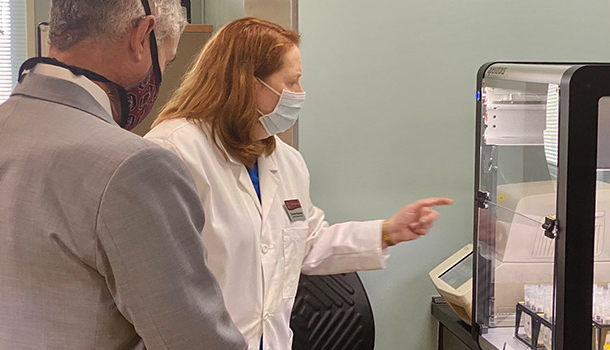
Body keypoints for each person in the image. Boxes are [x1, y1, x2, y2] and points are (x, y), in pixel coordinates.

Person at [0, 1, 246, 348]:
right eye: (167, 60)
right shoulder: (134, 167)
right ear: (142, 37)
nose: (162, 73)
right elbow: (195, 342)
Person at [145, 17, 453, 349]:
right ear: (247, 84)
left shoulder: (285, 161)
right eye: (291, 82)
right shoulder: (174, 151)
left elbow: (307, 243)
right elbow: (154, 280)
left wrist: (388, 232)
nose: (300, 94)